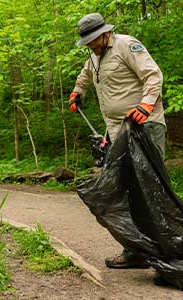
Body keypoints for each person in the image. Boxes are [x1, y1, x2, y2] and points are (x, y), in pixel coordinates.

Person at [67, 12, 167, 269]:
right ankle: (136, 250)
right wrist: (77, 91)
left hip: (144, 126)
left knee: (150, 187)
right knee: (125, 190)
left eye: (93, 40)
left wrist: (145, 105)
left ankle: (166, 257)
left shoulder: (126, 45)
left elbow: (153, 75)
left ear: (105, 32)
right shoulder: (94, 56)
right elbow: (86, 75)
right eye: (87, 42)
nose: (91, 45)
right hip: (117, 131)